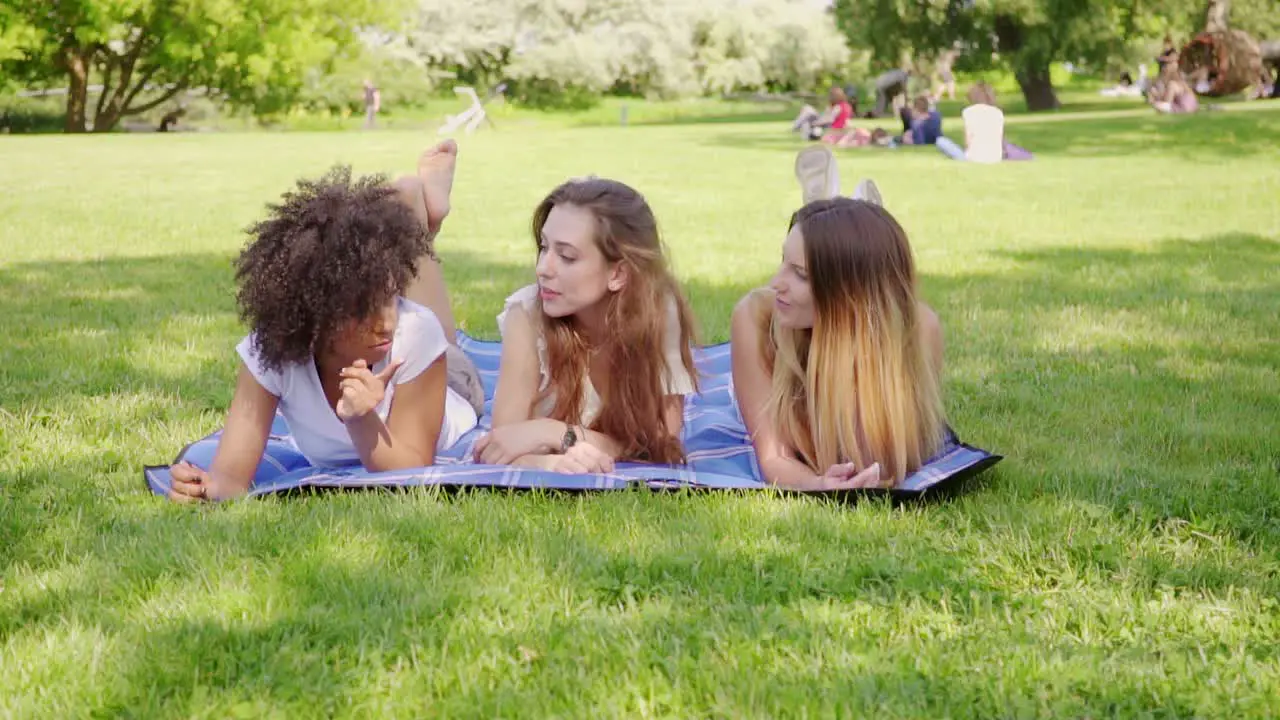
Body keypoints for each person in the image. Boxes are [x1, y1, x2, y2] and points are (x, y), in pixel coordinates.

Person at [167, 142, 483, 502]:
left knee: (430, 328)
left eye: (390, 298)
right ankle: (414, 214)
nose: (386, 322)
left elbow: (411, 471)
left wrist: (362, 419)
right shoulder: (272, 351)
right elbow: (228, 480)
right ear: (315, 313)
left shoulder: (413, 330)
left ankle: (420, 225)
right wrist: (199, 489)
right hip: (408, 350)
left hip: (453, 389)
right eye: (364, 311)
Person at [730, 164, 945, 490]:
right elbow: (774, 459)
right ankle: (840, 212)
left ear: (850, 295)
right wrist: (818, 483)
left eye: (800, 274)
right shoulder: (757, 318)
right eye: (783, 262)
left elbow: (887, 457)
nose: (777, 283)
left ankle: (850, 221)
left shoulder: (918, 329)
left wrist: (848, 354)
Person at [471, 178, 700, 474]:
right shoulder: (527, 315)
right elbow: (500, 445)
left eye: (566, 256)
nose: (543, 268)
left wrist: (550, 432)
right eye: (543, 248)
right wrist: (550, 463)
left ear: (618, 273)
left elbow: (661, 442)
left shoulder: (657, 313)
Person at [790, 87, 855, 141]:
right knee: (807, 111)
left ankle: (797, 129)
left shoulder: (838, 107)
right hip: (832, 125)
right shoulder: (847, 106)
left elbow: (830, 119)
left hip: (831, 127)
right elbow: (846, 120)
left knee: (807, 116)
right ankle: (797, 128)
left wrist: (816, 123)